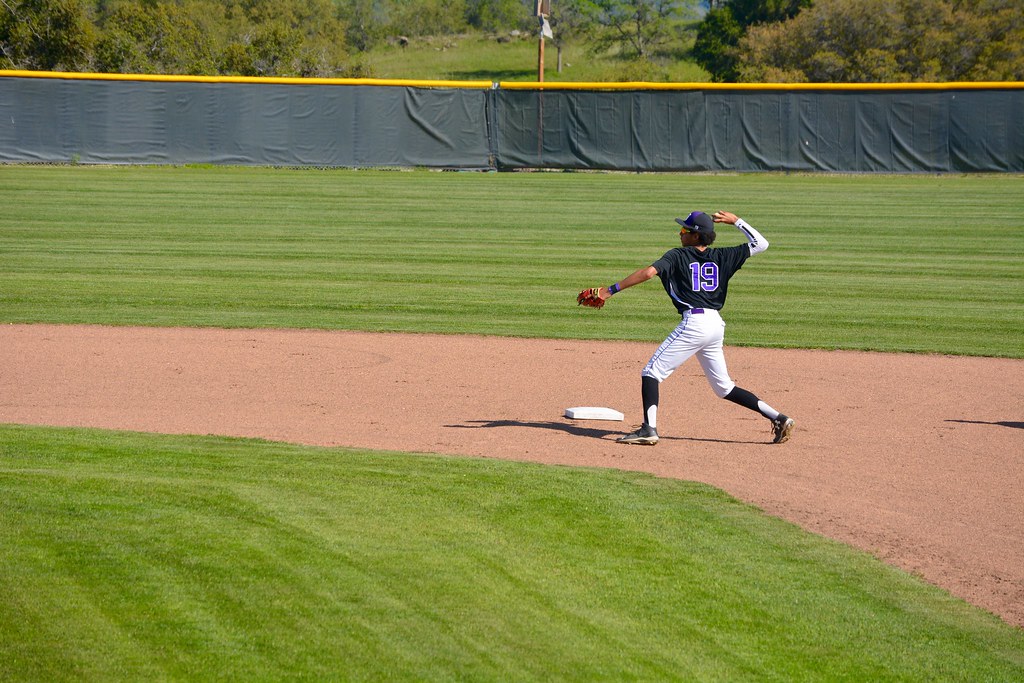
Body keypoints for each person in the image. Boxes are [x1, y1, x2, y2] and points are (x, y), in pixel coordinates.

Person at [587, 210, 794, 446]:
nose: (680, 233)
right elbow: (761, 244)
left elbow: (648, 273)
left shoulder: (677, 256)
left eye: (685, 230)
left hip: (694, 324)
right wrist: (736, 221)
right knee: (724, 388)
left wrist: (610, 290)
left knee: (651, 373)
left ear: (696, 236)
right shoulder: (724, 256)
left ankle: (648, 429)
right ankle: (778, 418)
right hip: (715, 325)